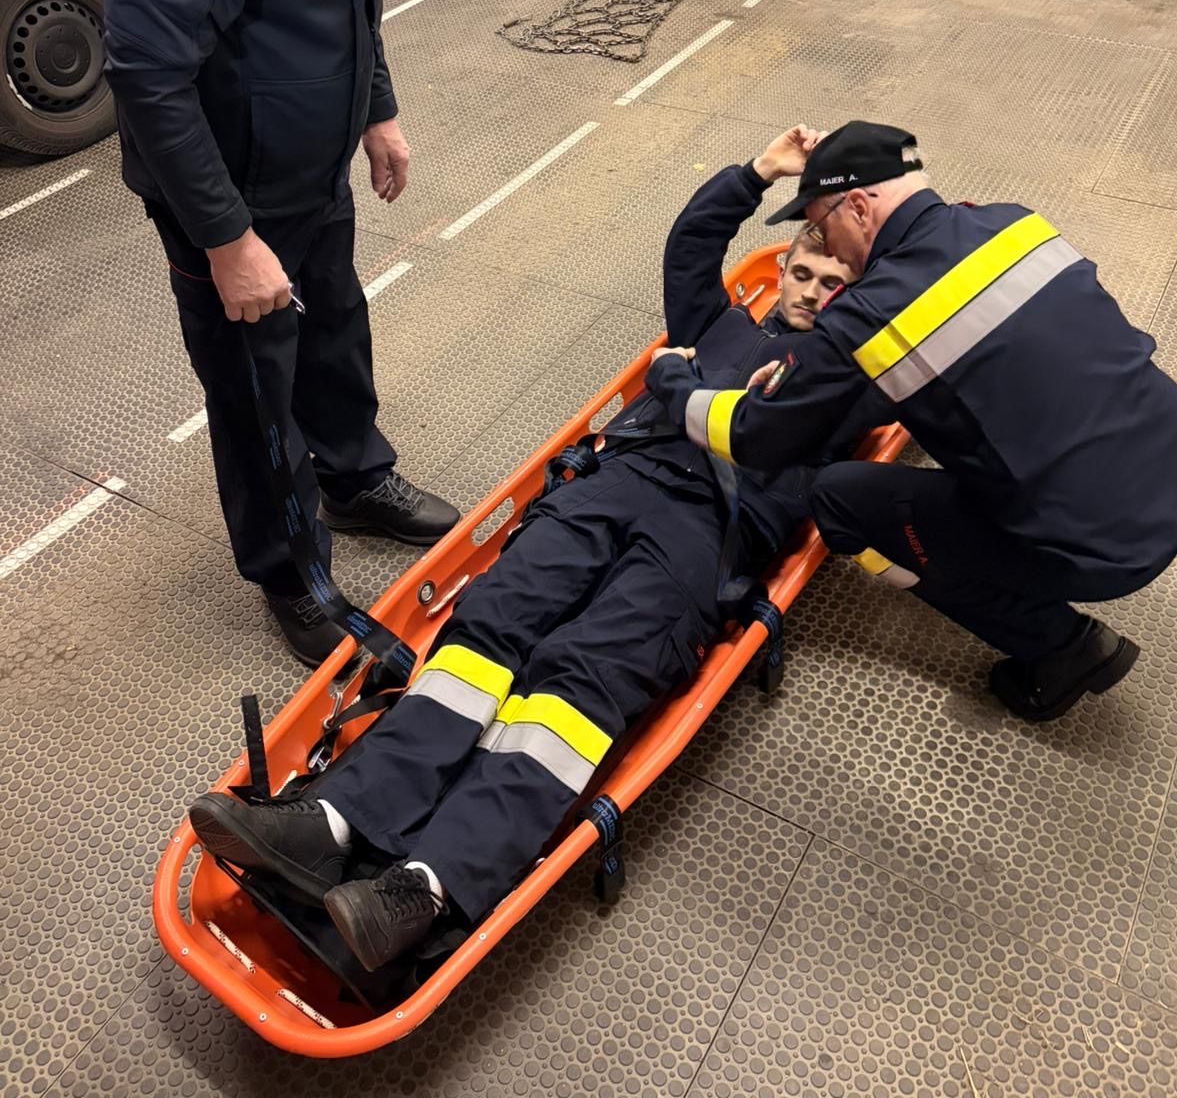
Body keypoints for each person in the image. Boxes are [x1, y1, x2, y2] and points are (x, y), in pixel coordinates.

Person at [188, 128, 878, 972]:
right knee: (488, 629)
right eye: (802, 275)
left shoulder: (845, 383)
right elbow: (691, 248)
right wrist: (757, 173)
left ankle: (423, 886)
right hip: (613, 486)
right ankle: (333, 823)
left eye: (835, 285)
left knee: (576, 686)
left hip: (706, 533)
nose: (810, 293)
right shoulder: (724, 325)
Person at [101, 0, 472, 666]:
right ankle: (291, 572)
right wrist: (227, 244)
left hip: (315, 170)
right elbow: (146, 78)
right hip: (227, 200)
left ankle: (353, 478)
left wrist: (377, 106)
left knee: (335, 330)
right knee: (256, 389)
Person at [646, 120, 1177, 724]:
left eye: (823, 224)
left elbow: (751, 435)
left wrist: (674, 381)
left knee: (843, 500)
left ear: (857, 205)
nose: (828, 247)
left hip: (1103, 545)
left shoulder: (874, 318)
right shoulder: (1015, 223)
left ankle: (1062, 648)